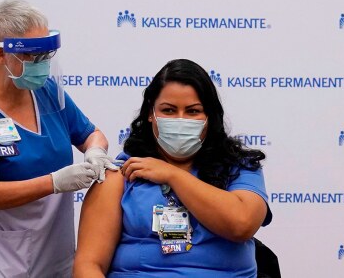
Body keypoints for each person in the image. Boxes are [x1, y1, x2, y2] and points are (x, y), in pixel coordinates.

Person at [0, 0, 116, 278]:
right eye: (33, 56)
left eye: (47, 55)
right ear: (0, 54)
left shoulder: (45, 92)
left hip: (54, 257)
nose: (42, 64)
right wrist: (54, 182)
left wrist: (95, 151)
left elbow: (91, 134)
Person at [74, 59, 272, 277]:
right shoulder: (121, 175)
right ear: (151, 113)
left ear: (209, 117)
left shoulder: (239, 167)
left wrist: (172, 175)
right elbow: (88, 265)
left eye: (192, 111)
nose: (180, 120)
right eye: (168, 110)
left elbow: (241, 224)